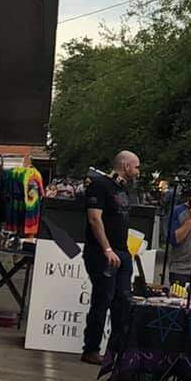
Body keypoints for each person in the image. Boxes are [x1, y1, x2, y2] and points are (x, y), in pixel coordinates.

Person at [80, 150, 140, 364]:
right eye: (136, 167)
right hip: (102, 252)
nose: (138, 171)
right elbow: (95, 219)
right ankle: (91, 348)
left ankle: (116, 349)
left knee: (123, 301)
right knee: (102, 298)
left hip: (122, 251)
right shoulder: (99, 185)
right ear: (125, 166)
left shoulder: (124, 190)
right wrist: (106, 249)